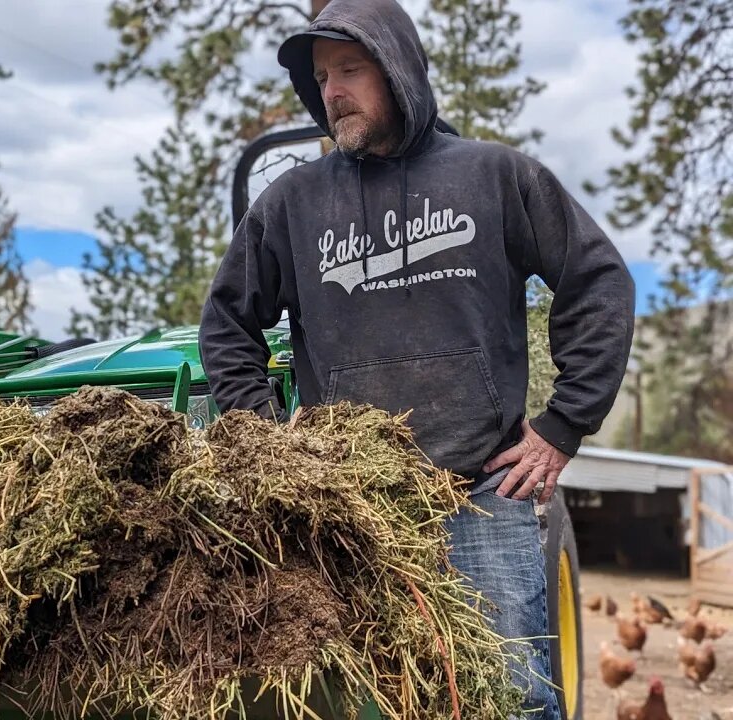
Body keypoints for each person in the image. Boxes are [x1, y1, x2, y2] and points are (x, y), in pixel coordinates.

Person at [197, 0, 635, 716]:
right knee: (364, 702)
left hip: (481, 492)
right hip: (348, 507)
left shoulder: (494, 176)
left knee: (515, 698)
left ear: (398, 70)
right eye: (321, 78)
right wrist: (267, 440)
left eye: (350, 69)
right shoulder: (291, 204)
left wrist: (562, 425)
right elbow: (226, 322)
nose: (333, 91)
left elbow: (597, 280)